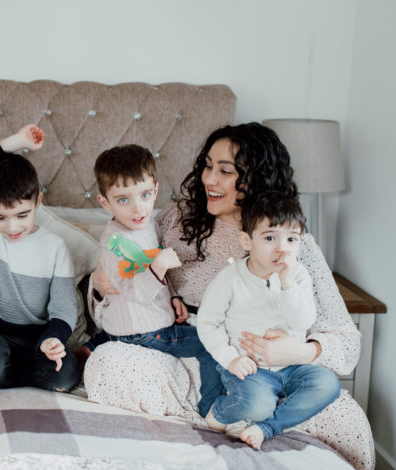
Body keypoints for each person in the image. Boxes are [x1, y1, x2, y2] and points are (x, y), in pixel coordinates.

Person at [85, 123, 370, 468]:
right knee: (107, 363)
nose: (209, 180)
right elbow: (120, 291)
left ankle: (251, 416)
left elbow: (347, 342)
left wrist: (301, 350)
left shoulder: (293, 243)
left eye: (225, 171)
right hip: (181, 357)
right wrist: (99, 285)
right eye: (207, 166)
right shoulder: (176, 218)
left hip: (265, 368)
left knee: (344, 416)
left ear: (258, 177)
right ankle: (224, 416)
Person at [197, 191, 340, 449]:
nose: (282, 248)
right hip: (251, 366)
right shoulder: (230, 278)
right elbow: (207, 323)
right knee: (257, 404)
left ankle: (268, 428)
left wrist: (287, 284)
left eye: (291, 239)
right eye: (270, 237)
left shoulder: (298, 276)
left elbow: (303, 321)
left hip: (292, 365)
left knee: (328, 384)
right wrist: (231, 359)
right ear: (246, 241)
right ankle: (220, 411)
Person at [90, 144, 221, 418]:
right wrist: (159, 265)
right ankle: (211, 409)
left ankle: (98, 342)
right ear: (105, 202)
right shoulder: (115, 242)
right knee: (212, 344)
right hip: (146, 331)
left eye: (145, 195)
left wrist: (172, 295)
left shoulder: (147, 224)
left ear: (155, 191)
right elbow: (135, 291)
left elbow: (153, 266)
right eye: (123, 200)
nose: (138, 208)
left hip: (141, 322)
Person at [0, 124, 80, 391]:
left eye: (22, 215)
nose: (12, 228)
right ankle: (14, 373)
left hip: (37, 338)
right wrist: (15, 141)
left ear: (38, 201)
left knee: (67, 376)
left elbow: (64, 307)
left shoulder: (55, 247)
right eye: (0, 217)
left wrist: (54, 340)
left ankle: (19, 370)